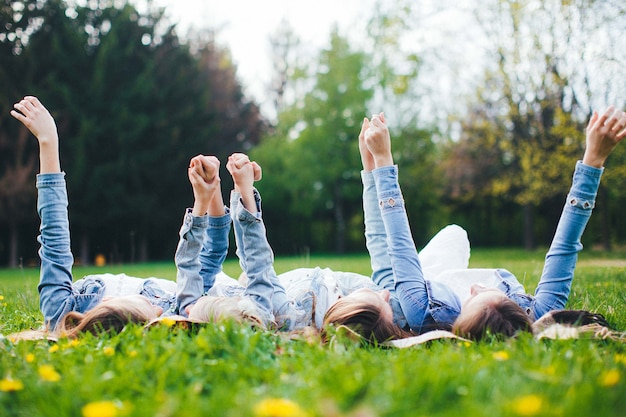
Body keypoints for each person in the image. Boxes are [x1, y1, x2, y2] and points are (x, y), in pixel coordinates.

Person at [9, 96, 271, 338]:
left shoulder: (62, 314)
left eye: (149, 315)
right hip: (229, 296)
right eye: (156, 316)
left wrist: (48, 142)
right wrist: (211, 190)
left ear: (110, 305)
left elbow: (54, 238)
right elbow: (209, 262)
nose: (158, 312)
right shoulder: (176, 314)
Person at [359, 108, 626, 341]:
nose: (474, 287)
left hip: (416, 284)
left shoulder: (423, 311)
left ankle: (404, 284)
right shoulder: (540, 312)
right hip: (434, 280)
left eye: (470, 300)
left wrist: (377, 165)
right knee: (455, 235)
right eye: (486, 294)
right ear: (516, 311)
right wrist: (594, 159)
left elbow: (396, 244)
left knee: (394, 291)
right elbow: (566, 244)